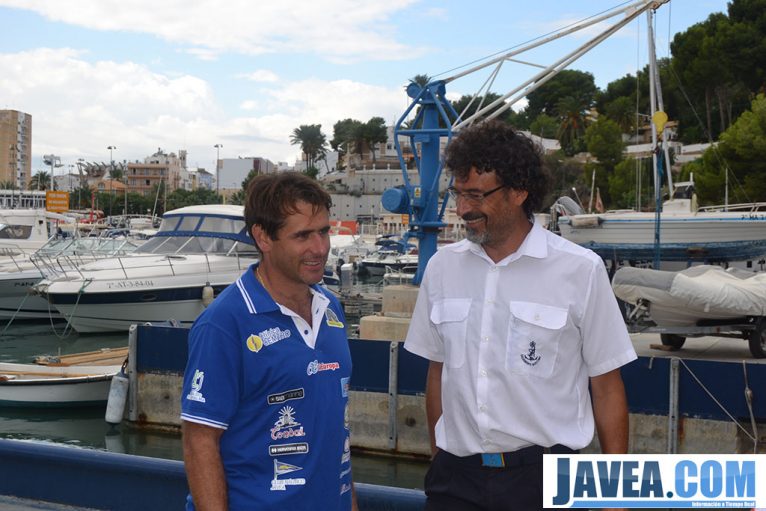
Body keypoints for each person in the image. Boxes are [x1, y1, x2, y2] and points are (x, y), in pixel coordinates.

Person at [404, 120, 637, 510]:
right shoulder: (442, 268)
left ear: (518, 192)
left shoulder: (581, 270)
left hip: (545, 481)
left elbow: (607, 386)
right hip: (454, 481)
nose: (462, 209)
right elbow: (437, 371)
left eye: (476, 195)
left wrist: (615, 495)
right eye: (458, 194)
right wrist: (439, 456)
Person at [181, 172, 357, 511]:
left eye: (323, 231)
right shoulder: (224, 323)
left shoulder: (330, 307)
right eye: (303, 235)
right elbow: (200, 440)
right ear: (263, 237)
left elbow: (337, 433)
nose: (319, 248)